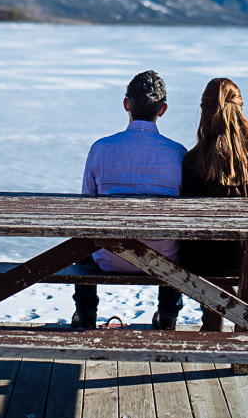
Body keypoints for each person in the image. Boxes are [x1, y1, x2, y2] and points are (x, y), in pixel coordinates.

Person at [73, 70, 186, 330]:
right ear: (163, 109)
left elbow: (85, 210)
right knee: (180, 246)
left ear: (126, 104)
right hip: (164, 260)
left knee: (80, 245)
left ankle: (86, 313)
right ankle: (168, 315)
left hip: (108, 257)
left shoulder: (101, 148)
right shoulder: (178, 153)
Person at [180, 77, 248, 331]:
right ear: (240, 109)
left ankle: (212, 316)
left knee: (195, 251)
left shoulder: (193, 161)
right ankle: (239, 319)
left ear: (204, 111)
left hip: (206, 262)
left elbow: (188, 223)